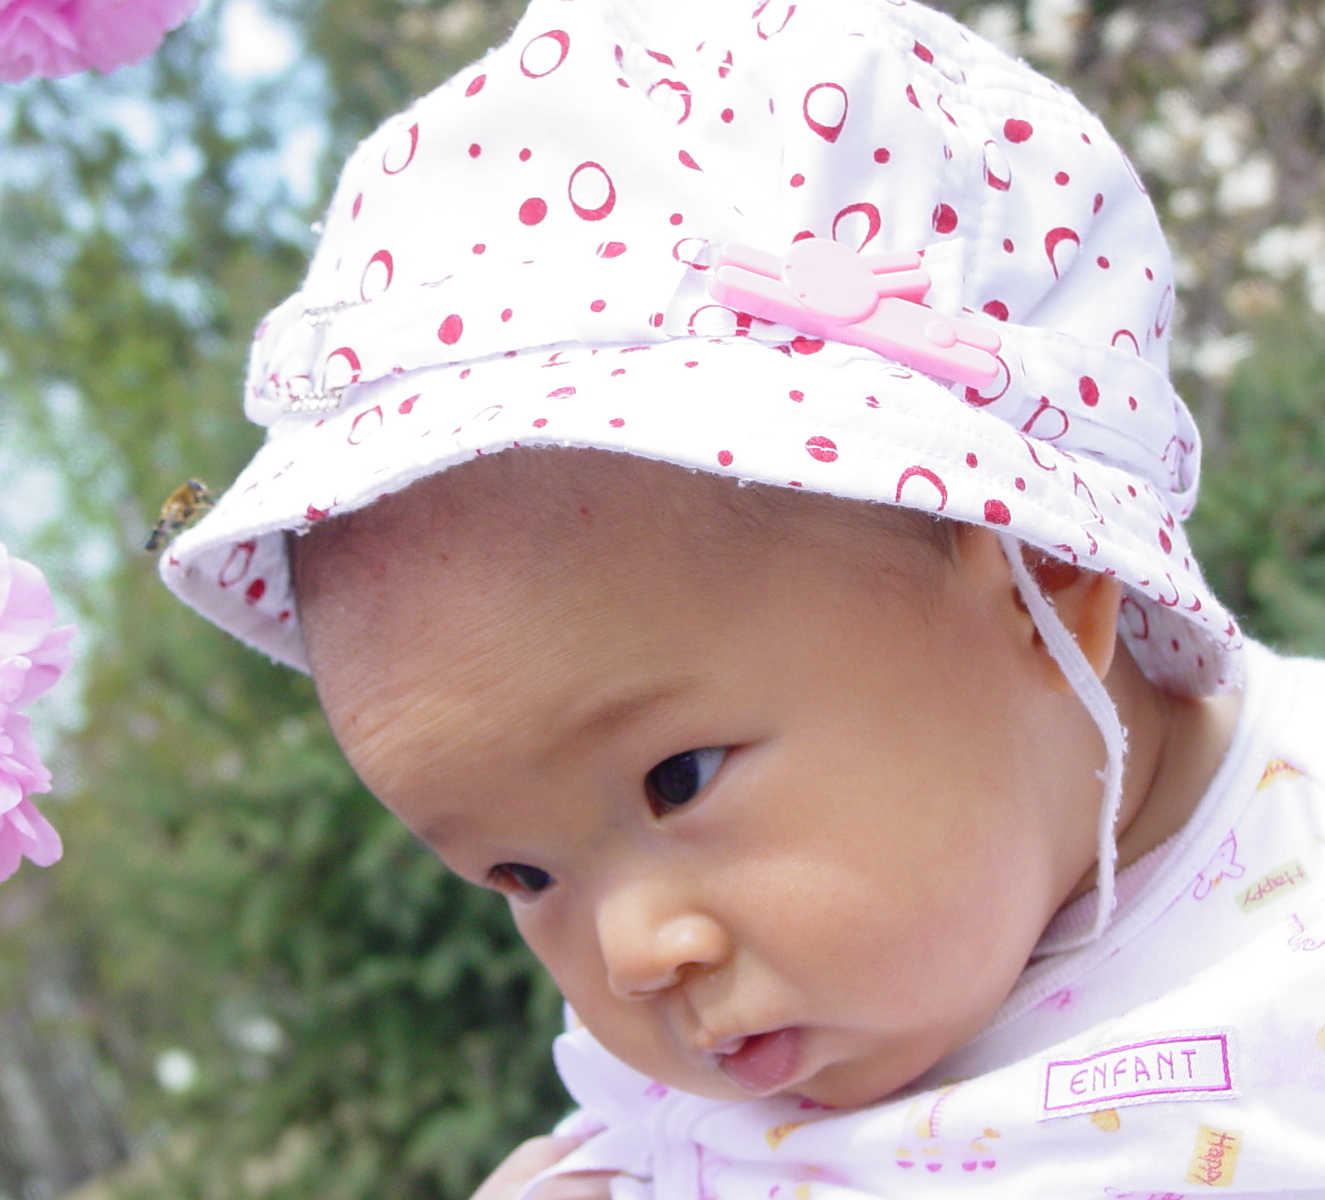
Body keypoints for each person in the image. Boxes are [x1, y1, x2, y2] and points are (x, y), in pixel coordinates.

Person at [160, 0, 1325, 1194]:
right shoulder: (705, 1104)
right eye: (524, 877)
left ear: (1044, 575)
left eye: (679, 779)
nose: (631, 957)